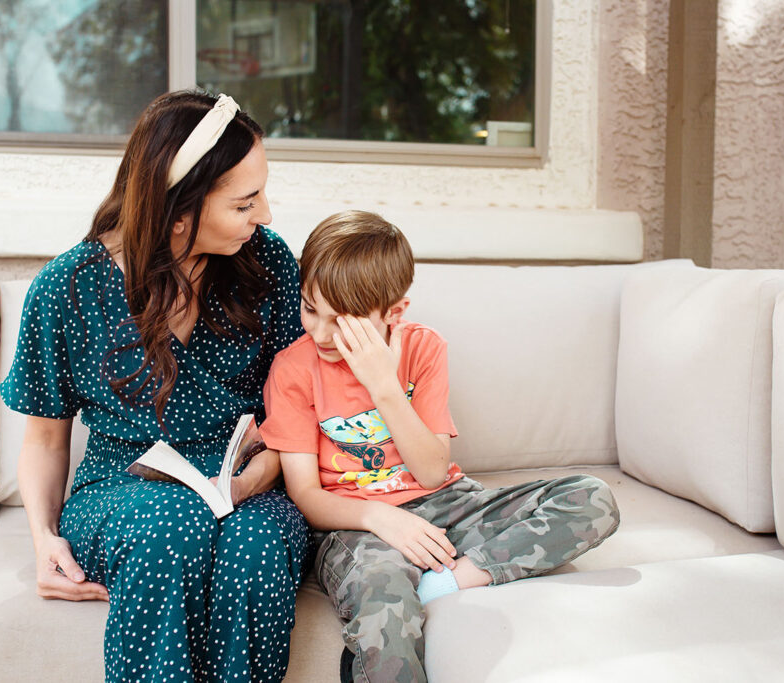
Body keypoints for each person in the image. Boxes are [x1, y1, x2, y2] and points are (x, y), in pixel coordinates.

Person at [0, 90, 310, 683]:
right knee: (172, 523)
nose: (265, 215)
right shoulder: (68, 287)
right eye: (245, 202)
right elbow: (43, 441)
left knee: (257, 551)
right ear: (178, 211)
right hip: (121, 491)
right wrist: (43, 540)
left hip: (250, 477)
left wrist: (261, 476)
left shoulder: (265, 263)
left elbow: (301, 409)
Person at [259, 210, 621, 683]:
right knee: (383, 595)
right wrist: (382, 517)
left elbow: (432, 473)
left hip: (447, 503)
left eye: (343, 323)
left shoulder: (423, 349)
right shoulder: (293, 368)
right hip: (356, 526)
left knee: (592, 497)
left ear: (394, 313)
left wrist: (384, 387)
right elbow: (306, 496)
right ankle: (394, 614)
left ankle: (439, 586)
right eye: (310, 310)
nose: (322, 334)